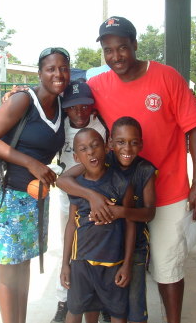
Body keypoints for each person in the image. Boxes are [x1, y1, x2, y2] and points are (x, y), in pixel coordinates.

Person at [83, 16, 196, 323]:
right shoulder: (97, 85)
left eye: (122, 48)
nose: (116, 57)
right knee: (118, 263)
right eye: (109, 51)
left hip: (168, 191)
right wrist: (21, 99)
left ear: (135, 45)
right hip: (121, 197)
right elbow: (68, 107)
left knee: (168, 266)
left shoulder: (167, 77)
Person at [0, 47, 70, 323]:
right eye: (51, 69)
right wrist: (31, 163)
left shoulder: (62, 104)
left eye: (63, 68)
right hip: (8, 196)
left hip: (35, 198)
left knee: (24, 266)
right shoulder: (22, 100)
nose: (58, 74)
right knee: (8, 269)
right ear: (39, 73)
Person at [58, 116, 156, 323]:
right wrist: (92, 196)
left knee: (128, 308)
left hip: (121, 255)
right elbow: (63, 182)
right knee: (83, 307)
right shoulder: (91, 167)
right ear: (110, 145)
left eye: (133, 142)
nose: (126, 148)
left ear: (103, 147)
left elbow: (146, 215)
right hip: (85, 259)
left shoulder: (134, 176)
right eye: (120, 142)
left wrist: (119, 212)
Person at [50, 80, 108, 323]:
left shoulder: (99, 128)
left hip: (96, 197)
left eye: (84, 106)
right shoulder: (60, 126)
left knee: (99, 247)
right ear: (66, 109)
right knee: (70, 247)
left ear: (92, 107)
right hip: (69, 197)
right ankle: (64, 300)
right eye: (74, 107)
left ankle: (103, 301)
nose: (79, 112)